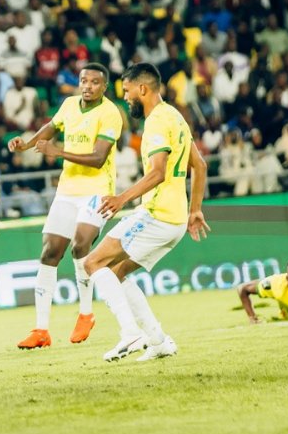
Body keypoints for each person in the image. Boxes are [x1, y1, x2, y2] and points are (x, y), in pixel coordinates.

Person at [83, 63, 210, 362]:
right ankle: (157, 340)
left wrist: (122, 198)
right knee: (116, 272)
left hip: (156, 214)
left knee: (93, 262)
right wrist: (195, 210)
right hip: (175, 219)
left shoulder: (156, 122)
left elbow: (158, 172)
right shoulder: (175, 116)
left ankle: (130, 333)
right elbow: (200, 165)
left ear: (142, 88)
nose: (126, 97)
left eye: (127, 91)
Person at [8, 63, 124, 349]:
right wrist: (27, 144)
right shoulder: (70, 105)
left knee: (81, 243)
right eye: (83, 80)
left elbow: (98, 158)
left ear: (104, 87)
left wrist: (56, 151)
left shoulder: (110, 113)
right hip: (67, 191)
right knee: (50, 252)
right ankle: (41, 330)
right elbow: (50, 128)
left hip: (97, 190)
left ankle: (86, 314)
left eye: (94, 82)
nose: (87, 86)